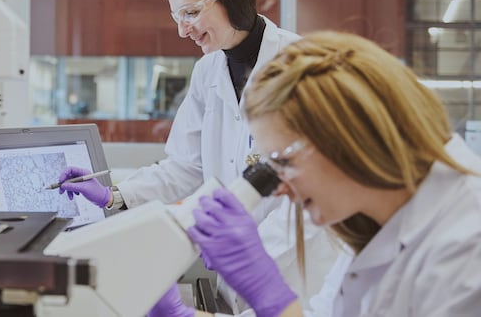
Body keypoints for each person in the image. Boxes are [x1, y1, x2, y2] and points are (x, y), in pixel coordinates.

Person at [58, 0, 338, 313]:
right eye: (177, 17)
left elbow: (320, 189)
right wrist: (116, 195)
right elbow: (185, 166)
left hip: (298, 273)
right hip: (234, 279)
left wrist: (245, 253)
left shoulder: (301, 64)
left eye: (190, 12)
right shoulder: (207, 72)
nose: (182, 30)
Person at [153, 31, 481, 316]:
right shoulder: (370, 224)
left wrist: (270, 296)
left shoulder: (466, 242)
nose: (277, 190)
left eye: (284, 162)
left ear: (346, 137)